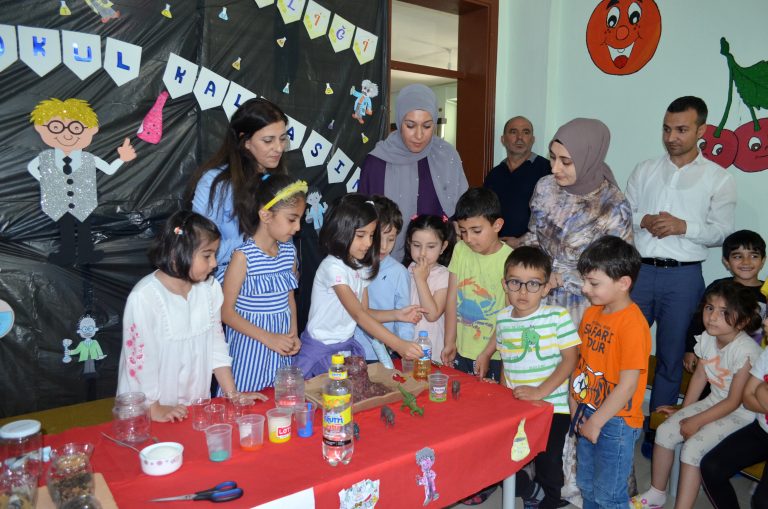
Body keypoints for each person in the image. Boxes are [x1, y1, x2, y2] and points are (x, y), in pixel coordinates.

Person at [626, 96, 737, 455]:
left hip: (684, 278)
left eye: (681, 129)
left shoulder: (719, 178)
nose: (671, 136)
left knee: (673, 358)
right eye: (667, 128)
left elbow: (721, 231)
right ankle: (623, 421)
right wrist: (643, 219)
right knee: (629, 351)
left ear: (701, 130)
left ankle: (656, 433)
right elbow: (622, 213)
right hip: (639, 271)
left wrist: (682, 226)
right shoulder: (644, 169)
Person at [117, 211, 267, 422]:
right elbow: (139, 362)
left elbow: (216, 345)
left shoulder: (210, 289)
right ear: (177, 253)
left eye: (215, 254)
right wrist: (153, 407)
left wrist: (232, 394)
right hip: (152, 411)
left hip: (195, 407)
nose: (214, 263)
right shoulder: (145, 297)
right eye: (207, 255)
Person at [632, 281, 763, 509]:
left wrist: (696, 420)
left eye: (724, 312)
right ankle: (656, 493)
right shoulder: (707, 338)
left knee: (693, 448)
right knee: (664, 431)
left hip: (740, 414)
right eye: (709, 308)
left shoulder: (746, 351)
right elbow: (700, 377)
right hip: (712, 402)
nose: (712, 317)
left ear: (742, 321)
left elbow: (734, 401)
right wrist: (684, 410)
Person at [476, 246, 579, 508]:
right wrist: (501, 397)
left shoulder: (557, 316)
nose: (523, 291)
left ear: (546, 288)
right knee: (499, 452)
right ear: (505, 284)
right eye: (515, 283)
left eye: (533, 284)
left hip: (552, 406)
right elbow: (507, 363)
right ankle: (530, 491)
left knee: (548, 459)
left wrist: (540, 392)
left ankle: (551, 501)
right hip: (516, 405)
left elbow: (570, 359)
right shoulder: (502, 319)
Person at [518, 118, 632, 328]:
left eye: (566, 161)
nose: (555, 168)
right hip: (537, 296)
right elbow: (533, 236)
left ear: (588, 158)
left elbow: (615, 271)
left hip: (584, 307)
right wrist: (531, 273)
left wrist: (562, 278)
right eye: (552, 158)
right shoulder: (545, 187)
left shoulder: (613, 206)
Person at [294, 193, 424, 378]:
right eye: (361, 235)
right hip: (319, 350)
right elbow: (358, 314)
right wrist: (399, 344)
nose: (369, 243)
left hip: (343, 348)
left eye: (371, 235)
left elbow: (364, 310)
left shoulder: (360, 267)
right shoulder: (333, 267)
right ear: (341, 230)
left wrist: (397, 315)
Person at [570, 236, 651, 509]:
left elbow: (628, 386)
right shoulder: (592, 313)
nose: (584, 289)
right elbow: (581, 364)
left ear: (623, 283)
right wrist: (575, 404)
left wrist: (597, 422)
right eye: (584, 281)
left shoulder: (633, 325)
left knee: (610, 494)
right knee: (587, 486)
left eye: (593, 283)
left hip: (616, 421)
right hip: (587, 409)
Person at [358, 83, 468, 260]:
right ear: (399, 122)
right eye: (410, 125)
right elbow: (364, 221)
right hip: (387, 263)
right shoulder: (376, 163)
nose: (419, 135)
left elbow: (462, 211)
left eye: (427, 126)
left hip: (440, 263)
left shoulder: (446, 155)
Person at [220, 175, 306, 392]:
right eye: (291, 219)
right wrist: (269, 339)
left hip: (280, 352)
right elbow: (226, 313)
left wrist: (293, 333)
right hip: (249, 353)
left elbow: (289, 299)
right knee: (247, 407)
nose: (297, 227)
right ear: (266, 215)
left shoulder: (289, 252)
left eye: (299, 220)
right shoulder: (243, 257)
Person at [187, 98, 289, 280]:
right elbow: (201, 247)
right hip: (225, 288)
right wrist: (256, 243)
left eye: (282, 139)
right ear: (245, 141)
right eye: (268, 140)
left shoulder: (277, 180)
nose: (279, 148)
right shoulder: (215, 183)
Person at [28, 98, 137, 265]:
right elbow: (32, 168)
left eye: (76, 128)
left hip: (84, 202)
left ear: (91, 130)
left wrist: (122, 159)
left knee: (84, 228)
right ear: (41, 129)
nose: (67, 134)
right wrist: (46, 181)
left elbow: (108, 169)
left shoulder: (88, 158)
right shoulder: (46, 157)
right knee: (65, 229)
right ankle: (67, 255)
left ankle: (86, 253)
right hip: (58, 203)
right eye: (56, 127)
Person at [444, 187, 512, 384]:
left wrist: (488, 352)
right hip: (461, 349)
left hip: (494, 355)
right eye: (463, 231)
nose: (468, 239)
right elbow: (451, 299)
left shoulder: (510, 261)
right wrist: (450, 341)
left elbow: (509, 315)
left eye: (476, 231)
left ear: (497, 225)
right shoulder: (460, 250)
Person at [700, 316, 768, 509]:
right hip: (762, 430)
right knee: (712, 467)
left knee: (763, 501)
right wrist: (761, 392)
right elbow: (747, 398)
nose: (765, 322)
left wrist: (762, 391)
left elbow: (757, 392)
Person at [683, 230, 767, 374]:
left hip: (751, 364)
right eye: (738, 256)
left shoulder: (766, 292)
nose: (746, 262)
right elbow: (698, 320)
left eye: (753, 256)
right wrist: (691, 349)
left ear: (763, 261)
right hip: (714, 359)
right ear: (726, 262)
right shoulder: (719, 287)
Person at [353, 196, 414, 367]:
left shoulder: (399, 273)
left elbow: (405, 316)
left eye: (391, 239)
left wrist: (405, 348)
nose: (384, 247)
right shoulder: (351, 267)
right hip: (352, 351)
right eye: (378, 238)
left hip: (387, 353)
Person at [483, 116, 551, 248]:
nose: (520, 137)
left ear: (532, 139)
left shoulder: (547, 170)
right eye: (513, 132)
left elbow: (554, 217)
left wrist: (522, 241)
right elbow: (485, 212)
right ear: (503, 139)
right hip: (497, 248)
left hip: (533, 251)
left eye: (526, 132)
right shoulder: (494, 174)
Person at [403, 214, 455, 362]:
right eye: (417, 245)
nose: (423, 253)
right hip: (407, 344)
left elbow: (432, 315)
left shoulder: (444, 275)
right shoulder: (409, 268)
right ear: (409, 243)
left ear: (443, 247)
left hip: (432, 348)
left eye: (431, 246)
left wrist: (420, 279)